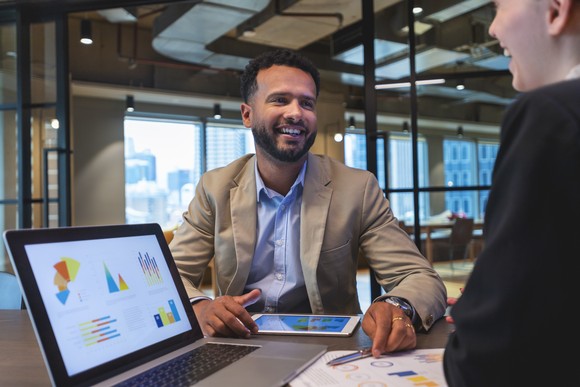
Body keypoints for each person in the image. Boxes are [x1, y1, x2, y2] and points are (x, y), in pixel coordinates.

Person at [170, 48, 447, 357]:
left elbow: (419, 277)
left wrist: (397, 305)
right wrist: (203, 307)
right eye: (279, 100)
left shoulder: (357, 188)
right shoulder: (215, 187)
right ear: (247, 114)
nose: (296, 112)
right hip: (237, 345)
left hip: (330, 351)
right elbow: (170, 276)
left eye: (307, 102)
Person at [443, 1, 580, 386]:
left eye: (500, 7)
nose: (491, 30)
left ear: (555, 10)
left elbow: (493, 351)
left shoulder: (551, 115)